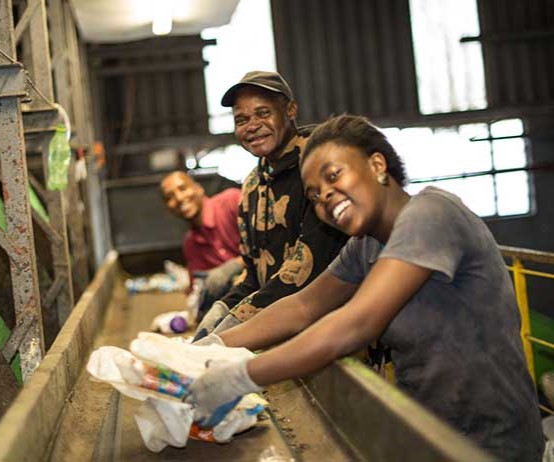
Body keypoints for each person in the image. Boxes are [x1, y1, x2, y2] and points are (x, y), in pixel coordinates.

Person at [185, 115, 544, 462]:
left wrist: (241, 376)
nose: (325, 196)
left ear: (377, 165)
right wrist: (205, 350)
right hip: (427, 435)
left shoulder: (432, 214)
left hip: (490, 445)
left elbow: (357, 324)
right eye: (313, 195)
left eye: (334, 176)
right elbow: (302, 307)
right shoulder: (365, 245)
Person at [194, 71, 349, 339]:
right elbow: (254, 276)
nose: (251, 126)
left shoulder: (317, 166)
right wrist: (220, 311)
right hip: (278, 326)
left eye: (263, 113)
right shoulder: (253, 184)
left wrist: (231, 328)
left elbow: (303, 271)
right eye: (241, 120)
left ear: (290, 110)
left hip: (336, 325)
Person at [160, 171, 243, 306]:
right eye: (170, 197)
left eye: (183, 188)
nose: (179, 198)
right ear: (168, 209)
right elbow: (197, 293)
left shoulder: (231, 202)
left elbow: (272, 243)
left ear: (198, 188)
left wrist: (235, 265)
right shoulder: (191, 245)